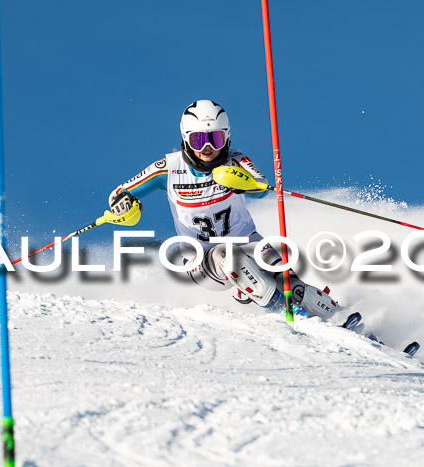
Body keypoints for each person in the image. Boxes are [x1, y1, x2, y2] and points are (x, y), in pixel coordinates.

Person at [106, 99, 344, 319]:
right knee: (227, 255)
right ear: (186, 138)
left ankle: (338, 317)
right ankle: (283, 310)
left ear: (227, 137)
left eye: (216, 139)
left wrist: (242, 181)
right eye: (198, 140)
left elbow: (261, 189)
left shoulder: (236, 160)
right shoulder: (168, 168)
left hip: (247, 241)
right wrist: (124, 205)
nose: (208, 147)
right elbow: (119, 194)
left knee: (289, 281)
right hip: (200, 259)